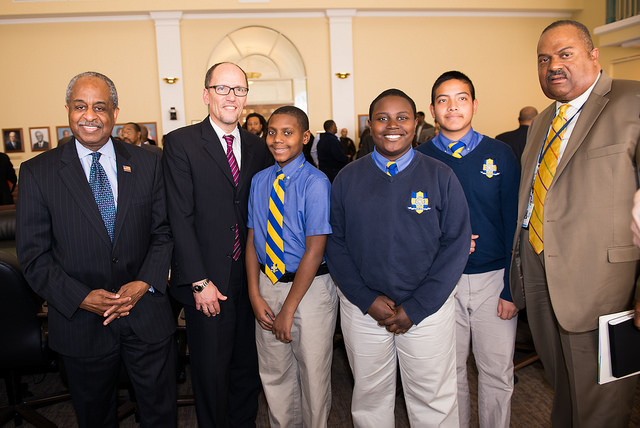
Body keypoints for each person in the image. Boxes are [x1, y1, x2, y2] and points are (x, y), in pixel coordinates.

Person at [15, 71, 176, 427]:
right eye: (80, 106)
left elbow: (163, 232)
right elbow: (33, 256)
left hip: (146, 315)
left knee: (161, 416)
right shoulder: (37, 173)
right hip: (80, 323)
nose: (90, 115)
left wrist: (143, 283)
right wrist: (82, 296)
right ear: (69, 111)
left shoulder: (149, 162)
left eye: (100, 107)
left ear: (115, 113)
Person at [510, 20, 640, 427]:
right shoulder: (544, 121)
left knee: (601, 410)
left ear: (593, 54)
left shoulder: (631, 101)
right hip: (544, 284)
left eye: (565, 54)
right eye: (544, 58)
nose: (553, 65)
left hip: (605, 291)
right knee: (564, 395)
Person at [326, 88, 471, 427]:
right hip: (365, 312)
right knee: (370, 400)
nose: (392, 125)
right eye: (382, 118)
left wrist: (418, 306)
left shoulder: (441, 175)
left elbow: (456, 244)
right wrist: (366, 299)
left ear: (416, 122)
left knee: (433, 401)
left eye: (402, 117)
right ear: (370, 126)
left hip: (426, 311)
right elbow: (336, 243)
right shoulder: (347, 178)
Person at [163, 62, 270, 427]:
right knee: (211, 375)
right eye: (222, 89)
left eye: (239, 90)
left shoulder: (259, 148)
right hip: (207, 283)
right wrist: (198, 280)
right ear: (206, 94)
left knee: (246, 370)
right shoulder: (181, 143)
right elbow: (180, 217)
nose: (231, 97)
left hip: (250, 280)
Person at [417, 70, 520, 428]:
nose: (452, 107)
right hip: (442, 282)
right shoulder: (420, 158)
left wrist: (511, 287)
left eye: (461, 98)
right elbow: (414, 225)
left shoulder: (501, 154)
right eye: (443, 100)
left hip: (494, 280)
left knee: (497, 372)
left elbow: (513, 223)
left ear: (474, 105)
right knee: (449, 372)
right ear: (432, 110)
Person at [246, 106, 337, 427]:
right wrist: (255, 295)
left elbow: (315, 250)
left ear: (305, 136)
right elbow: (252, 240)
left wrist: (289, 308)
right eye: (272, 132)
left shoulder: (316, 183)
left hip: (309, 290)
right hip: (268, 284)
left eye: (287, 132)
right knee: (274, 374)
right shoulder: (259, 181)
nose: (278, 139)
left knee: (312, 375)